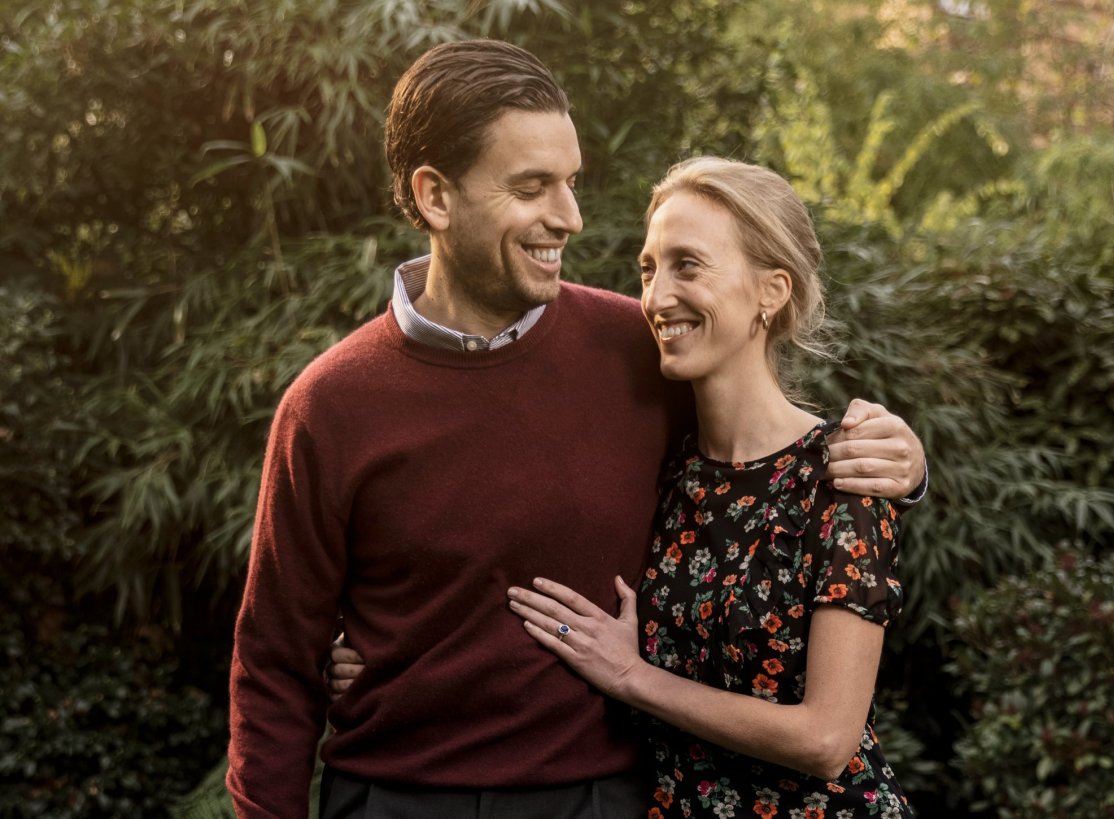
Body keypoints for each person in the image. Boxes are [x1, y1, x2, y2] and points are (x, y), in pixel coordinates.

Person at [227, 39, 925, 819]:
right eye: (533, 187)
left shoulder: (641, 348)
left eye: (570, 182)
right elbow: (275, 664)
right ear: (435, 196)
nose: (570, 217)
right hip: (394, 796)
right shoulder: (329, 404)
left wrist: (904, 458)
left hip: (600, 798)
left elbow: (769, 444)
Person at [504, 157, 914, 817]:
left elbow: (827, 738)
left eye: (687, 265)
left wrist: (635, 678)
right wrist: (371, 647)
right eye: (649, 268)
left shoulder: (843, 478)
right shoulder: (661, 468)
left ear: (770, 291)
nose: (658, 297)